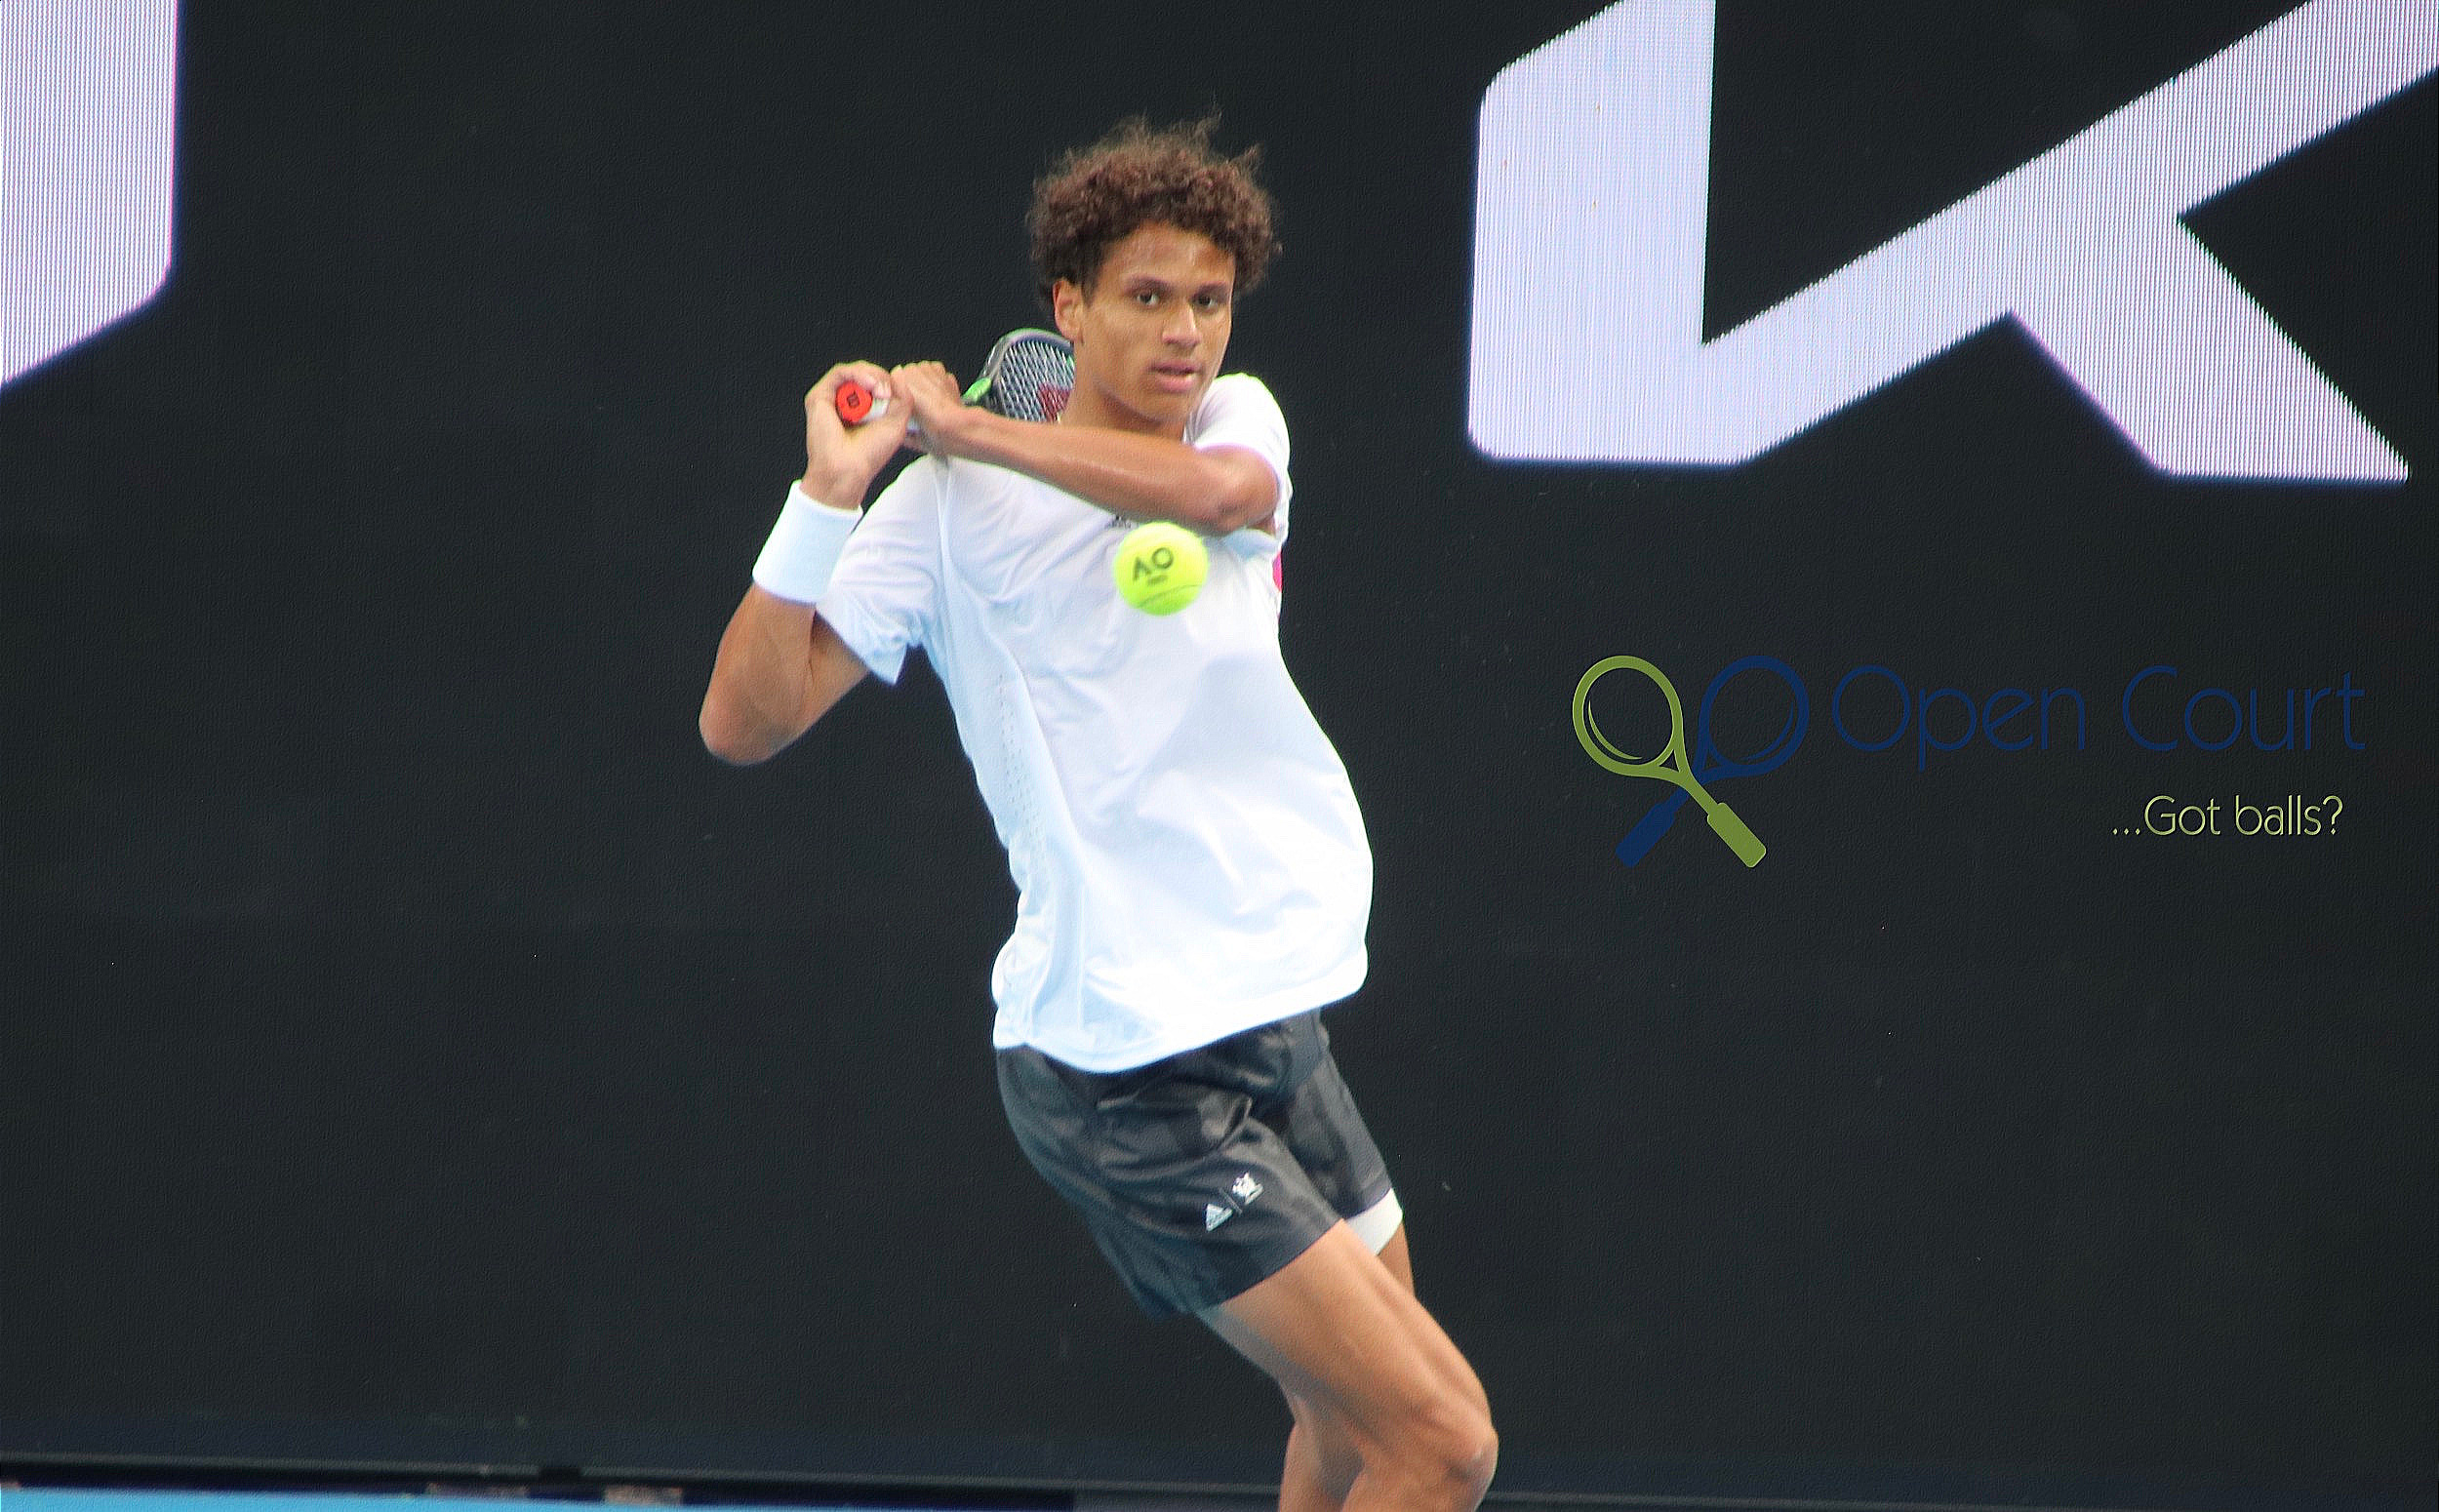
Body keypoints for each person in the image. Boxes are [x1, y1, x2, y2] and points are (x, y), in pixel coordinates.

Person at [698, 119, 1496, 1512]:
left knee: (1351, 1424)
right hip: (1126, 1069)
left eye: (1210, 299)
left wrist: (964, 425)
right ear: (1067, 308)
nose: (1185, 331)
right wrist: (826, 498)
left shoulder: (1238, 423)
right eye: (1147, 296)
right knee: (1444, 1443)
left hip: (1273, 1008)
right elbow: (743, 721)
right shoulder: (944, 515)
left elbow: (1223, 497)